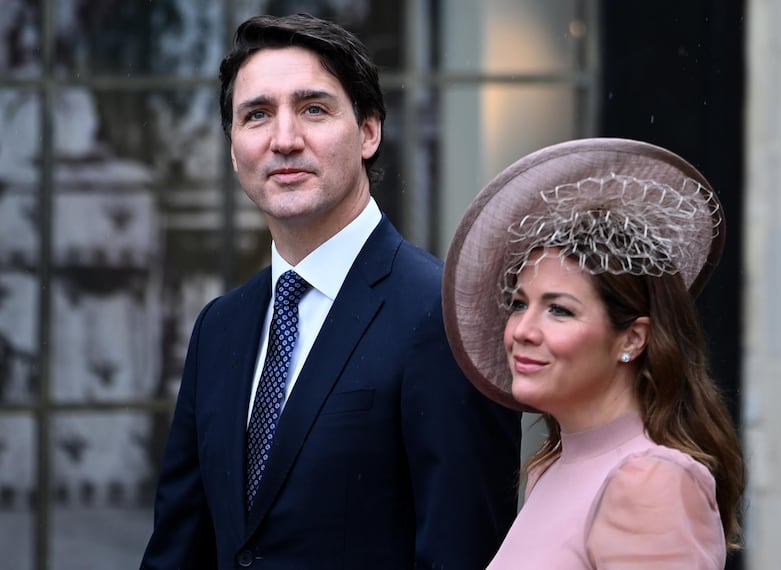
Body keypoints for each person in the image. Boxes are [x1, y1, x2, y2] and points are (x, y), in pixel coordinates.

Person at [140, 13, 521, 570]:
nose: (285, 139)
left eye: (313, 109)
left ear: (369, 132)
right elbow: (181, 547)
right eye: (257, 115)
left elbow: (462, 550)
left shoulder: (443, 314)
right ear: (232, 147)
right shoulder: (219, 327)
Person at [442, 138, 745, 568]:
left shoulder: (650, 480)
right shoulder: (550, 469)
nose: (523, 331)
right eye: (520, 304)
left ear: (633, 339)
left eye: (559, 310)